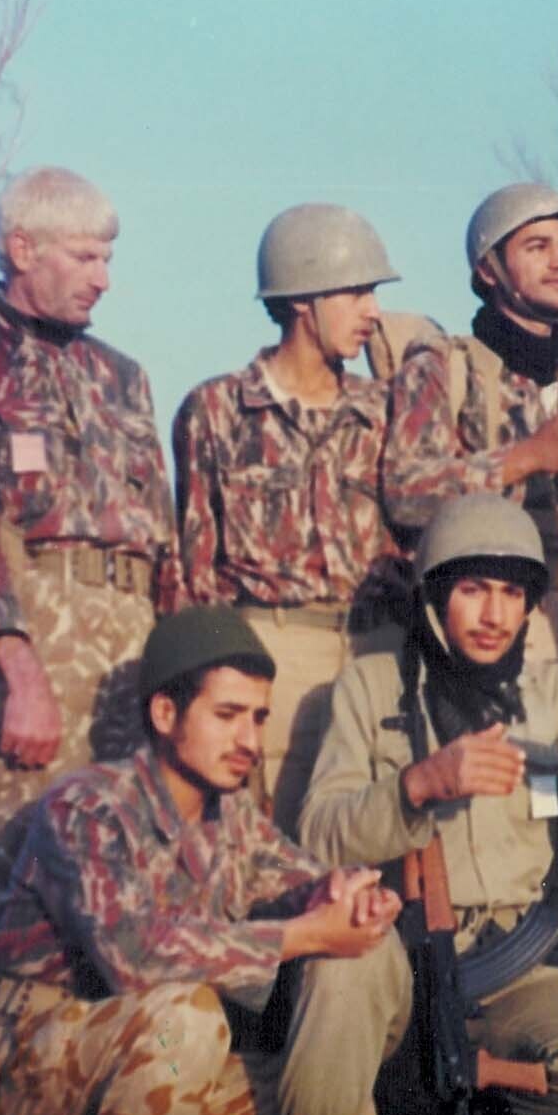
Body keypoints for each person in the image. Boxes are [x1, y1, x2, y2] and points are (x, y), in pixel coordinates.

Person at [0, 605, 410, 1115]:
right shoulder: (87, 808)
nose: (250, 742)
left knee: (323, 1090)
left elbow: (295, 875)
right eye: (227, 715)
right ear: (165, 714)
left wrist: (345, 894)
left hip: (148, 1058)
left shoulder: (230, 815)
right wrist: (304, 934)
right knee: (188, 1018)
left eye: (258, 718)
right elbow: (136, 955)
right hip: (15, 1066)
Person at [299, 493, 558, 1115]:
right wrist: (415, 786)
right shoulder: (371, 689)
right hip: (400, 960)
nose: (494, 615)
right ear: (436, 595)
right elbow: (317, 837)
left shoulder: (553, 696)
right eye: (472, 590)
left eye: (511, 594)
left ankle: (475, 1091)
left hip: (521, 965)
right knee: (339, 975)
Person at [0, 167, 176, 947]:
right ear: (23, 249)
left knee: (130, 889)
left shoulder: (124, 379)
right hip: (33, 657)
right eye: (85, 258)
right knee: (9, 896)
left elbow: (163, 542)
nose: (104, 279)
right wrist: (21, 678)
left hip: (131, 662)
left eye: (108, 259)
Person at [380, 182, 558, 723]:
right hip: (495, 632)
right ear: (488, 269)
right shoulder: (447, 366)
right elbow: (406, 493)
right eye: (537, 246)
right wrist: (527, 458)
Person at [173, 204, 406, 834]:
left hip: (378, 648)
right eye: (356, 293)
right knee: (270, 840)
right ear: (303, 298)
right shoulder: (216, 411)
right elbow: (195, 572)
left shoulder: (386, 412)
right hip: (274, 653)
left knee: (379, 837)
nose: (373, 312)